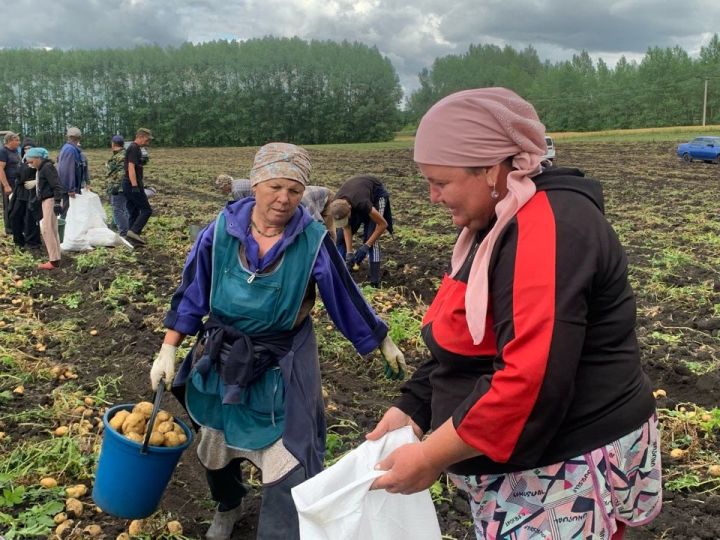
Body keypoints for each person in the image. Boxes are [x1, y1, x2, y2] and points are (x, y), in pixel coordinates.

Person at [366, 88, 661, 540]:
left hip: (562, 465)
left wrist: (429, 457)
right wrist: (414, 406)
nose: (431, 197)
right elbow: (467, 334)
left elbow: (529, 380)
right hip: (529, 459)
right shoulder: (498, 220)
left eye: (440, 182)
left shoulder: (547, 228)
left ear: (489, 169)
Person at [150, 143, 407, 540]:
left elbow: (344, 295)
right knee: (215, 446)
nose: (283, 199)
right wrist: (169, 347)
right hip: (224, 354)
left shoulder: (313, 240)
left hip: (283, 359)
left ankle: (281, 532)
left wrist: (383, 340)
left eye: (293, 190)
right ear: (255, 184)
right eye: (275, 187)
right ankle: (228, 505)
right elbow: (191, 292)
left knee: (289, 456)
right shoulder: (219, 231)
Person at [215, 174, 337, 241]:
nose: (283, 200)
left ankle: (331, 245)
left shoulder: (236, 190)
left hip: (325, 200)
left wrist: (320, 235)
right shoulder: (237, 183)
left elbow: (242, 207)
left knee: (328, 229)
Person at [328, 174, 393, 287]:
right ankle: (342, 272)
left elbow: (382, 224)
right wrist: (349, 253)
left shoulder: (363, 203)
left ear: (350, 210)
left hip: (376, 195)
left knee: (372, 239)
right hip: (356, 195)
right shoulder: (337, 205)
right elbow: (346, 227)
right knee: (340, 238)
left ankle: (375, 282)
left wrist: (365, 246)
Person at [24, 147, 63, 270]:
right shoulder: (42, 168)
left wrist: (57, 202)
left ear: (38, 158)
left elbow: (56, 185)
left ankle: (53, 261)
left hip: (50, 200)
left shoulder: (47, 168)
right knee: (51, 229)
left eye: (31, 161)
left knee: (48, 230)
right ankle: (56, 257)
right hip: (46, 200)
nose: (30, 164)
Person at [8, 138, 42, 249]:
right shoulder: (21, 161)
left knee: (30, 219)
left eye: (30, 148)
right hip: (20, 193)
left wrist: (37, 181)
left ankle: (33, 243)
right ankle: (19, 242)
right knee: (14, 216)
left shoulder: (39, 161)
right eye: (25, 148)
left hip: (31, 194)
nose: (27, 150)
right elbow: (18, 177)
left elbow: (49, 174)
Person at [123, 128, 153, 244]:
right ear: (140, 137)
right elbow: (131, 168)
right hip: (131, 184)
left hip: (128, 183)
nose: (148, 142)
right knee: (146, 210)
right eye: (147, 139)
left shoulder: (135, 148)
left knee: (134, 211)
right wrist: (135, 186)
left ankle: (131, 240)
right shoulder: (134, 148)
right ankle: (134, 231)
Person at [56, 127, 90, 217]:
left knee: (70, 211)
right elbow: (68, 169)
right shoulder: (70, 150)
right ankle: (63, 230)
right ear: (78, 138)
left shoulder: (70, 148)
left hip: (67, 186)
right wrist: (71, 188)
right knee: (67, 212)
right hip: (67, 188)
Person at [106, 135, 129, 237]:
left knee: (117, 209)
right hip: (125, 186)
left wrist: (115, 186)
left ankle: (124, 232)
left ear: (113, 144)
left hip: (119, 188)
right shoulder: (125, 154)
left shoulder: (120, 156)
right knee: (125, 208)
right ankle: (128, 229)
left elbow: (121, 172)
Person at [0, 131, 21, 234]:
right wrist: (6, 185)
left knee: (16, 205)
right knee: (9, 205)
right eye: (16, 140)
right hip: (9, 183)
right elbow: (0, 169)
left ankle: (16, 226)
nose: (19, 142)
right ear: (9, 141)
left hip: (17, 182)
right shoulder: (3, 151)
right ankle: (9, 229)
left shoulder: (16, 151)